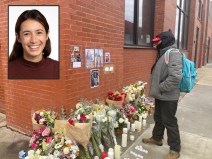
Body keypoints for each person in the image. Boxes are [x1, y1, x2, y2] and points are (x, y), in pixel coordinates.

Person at [142, 31, 182, 159]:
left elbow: (175, 77)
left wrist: (161, 88)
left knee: (169, 121)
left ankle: (175, 150)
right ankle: (157, 138)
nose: (155, 44)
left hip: (168, 96)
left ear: (165, 41)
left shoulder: (173, 53)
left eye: (157, 41)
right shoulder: (163, 53)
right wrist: (159, 91)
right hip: (161, 95)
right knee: (158, 117)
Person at [8, 9, 59, 79]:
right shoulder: (7, 70)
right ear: (18, 37)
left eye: (39, 32)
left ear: (47, 35)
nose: (33, 40)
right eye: (27, 34)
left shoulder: (58, 68)